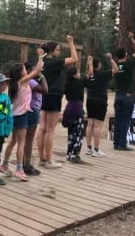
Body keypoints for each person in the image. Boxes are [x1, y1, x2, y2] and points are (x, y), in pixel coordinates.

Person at [0, 49, 43, 181]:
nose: (26, 70)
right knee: (21, 143)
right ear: (20, 73)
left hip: (15, 115)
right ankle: (19, 169)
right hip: (22, 116)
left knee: (13, 141)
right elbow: (37, 71)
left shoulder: (15, 84)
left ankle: (4, 165)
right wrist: (41, 56)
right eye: (24, 69)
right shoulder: (22, 81)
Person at [37, 35, 78, 169]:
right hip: (54, 95)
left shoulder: (42, 62)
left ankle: (41, 159)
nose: (59, 52)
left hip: (44, 94)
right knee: (50, 129)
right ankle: (49, 161)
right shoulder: (55, 62)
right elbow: (74, 59)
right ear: (53, 50)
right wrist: (71, 43)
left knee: (42, 127)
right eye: (58, 50)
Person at [113, 32, 135, 151]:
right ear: (125, 55)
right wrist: (132, 39)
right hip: (127, 95)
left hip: (118, 95)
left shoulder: (115, 66)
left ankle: (116, 143)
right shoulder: (129, 63)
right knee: (125, 120)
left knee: (118, 119)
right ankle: (122, 144)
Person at [85, 54, 118, 157]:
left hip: (90, 101)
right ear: (98, 65)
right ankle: (96, 149)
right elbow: (116, 70)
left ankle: (89, 148)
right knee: (98, 125)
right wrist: (111, 59)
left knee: (90, 124)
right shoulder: (104, 74)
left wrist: (89, 62)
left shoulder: (88, 76)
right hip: (100, 101)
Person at [23, 62, 48, 176]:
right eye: (35, 69)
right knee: (29, 139)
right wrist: (42, 76)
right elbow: (45, 90)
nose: (39, 70)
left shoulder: (29, 80)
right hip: (32, 111)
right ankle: (26, 165)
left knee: (27, 139)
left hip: (32, 110)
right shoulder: (31, 81)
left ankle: (25, 164)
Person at [62, 66, 86, 163]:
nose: (79, 74)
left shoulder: (67, 84)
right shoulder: (79, 83)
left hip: (70, 108)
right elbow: (89, 76)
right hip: (77, 109)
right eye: (78, 72)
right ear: (75, 75)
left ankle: (69, 153)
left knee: (71, 132)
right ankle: (75, 154)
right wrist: (89, 63)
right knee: (79, 132)